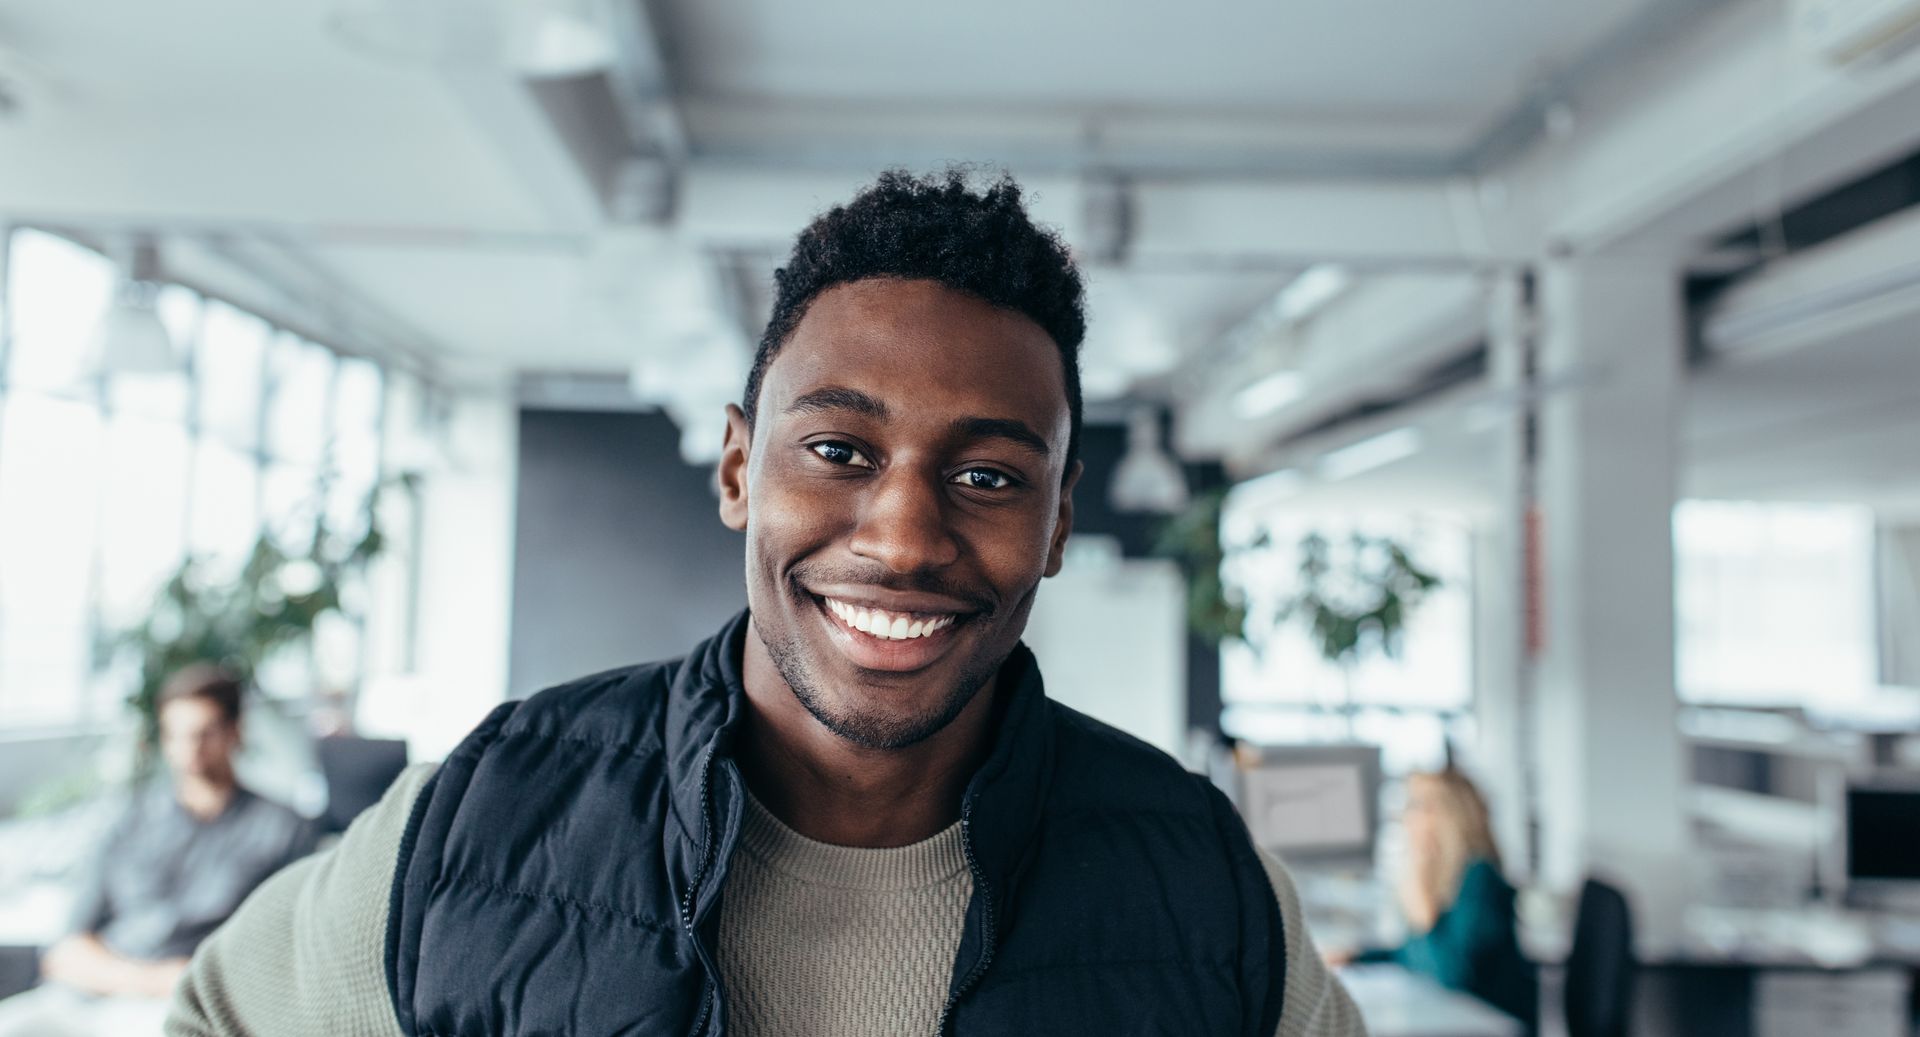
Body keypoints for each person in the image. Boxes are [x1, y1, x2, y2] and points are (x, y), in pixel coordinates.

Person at [166, 169, 1366, 1037]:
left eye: (990, 476)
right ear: (740, 468)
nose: (903, 537)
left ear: (1057, 522)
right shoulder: (482, 816)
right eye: (840, 451)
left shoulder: (1205, 885)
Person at [0, 665, 314, 1036]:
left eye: (204, 734)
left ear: (234, 732)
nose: (190, 750)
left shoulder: (283, 829)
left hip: (184, 1005)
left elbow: (286, 956)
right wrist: (144, 979)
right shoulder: (129, 819)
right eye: (175, 735)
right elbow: (65, 950)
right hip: (92, 992)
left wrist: (181, 984)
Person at [1352, 769, 1536, 1030]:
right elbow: (1410, 955)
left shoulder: (1478, 878)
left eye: (1417, 806)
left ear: (1449, 816)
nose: (1406, 817)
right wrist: (1356, 957)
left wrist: (1422, 909)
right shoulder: (1438, 879)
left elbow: (1450, 979)